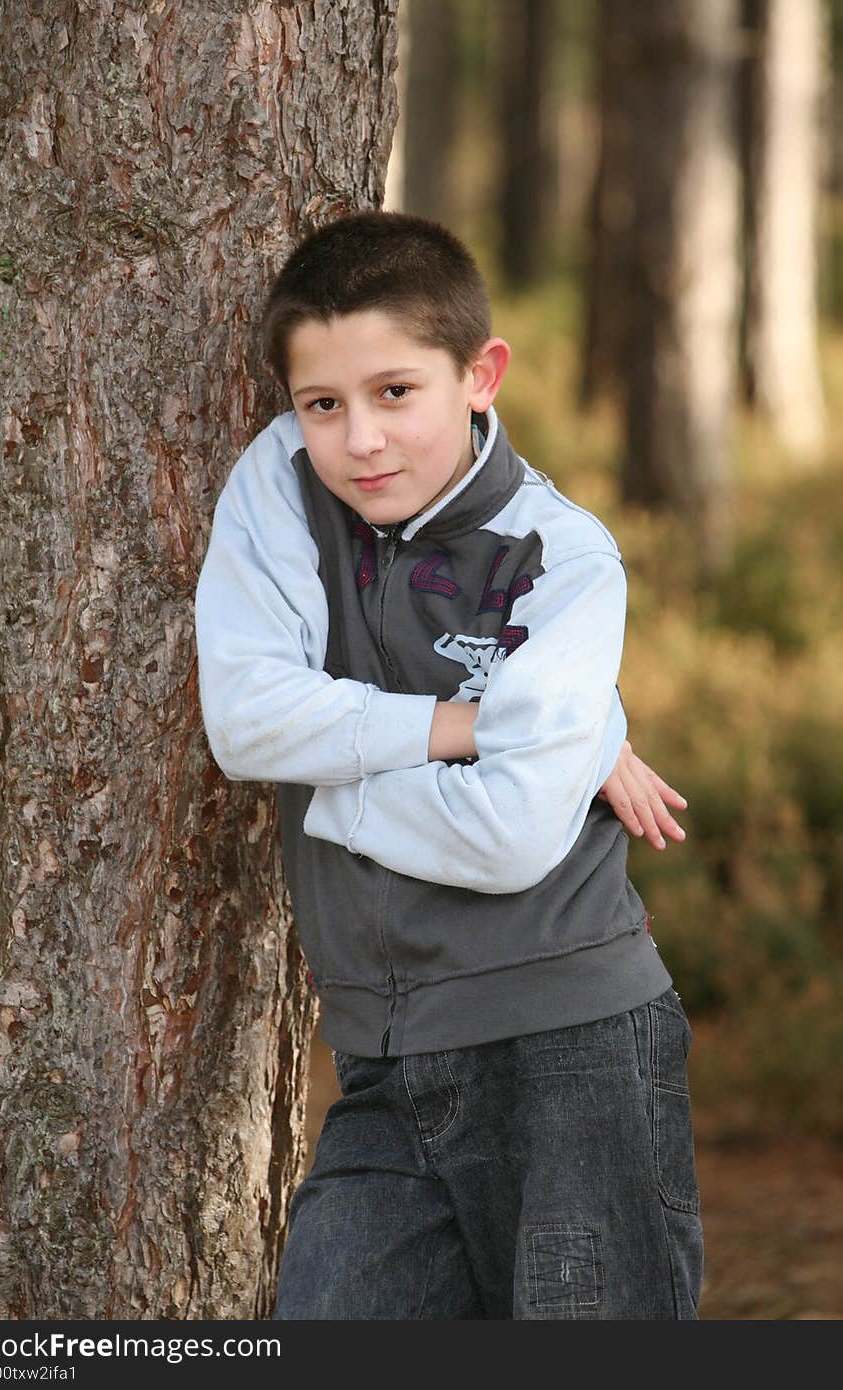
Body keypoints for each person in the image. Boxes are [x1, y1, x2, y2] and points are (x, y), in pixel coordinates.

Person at [194, 211, 703, 1320]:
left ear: (481, 375)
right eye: (322, 403)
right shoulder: (280, 484)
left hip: (571, 1048)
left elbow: (517, 831)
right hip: (381, 1056)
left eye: (395, 393)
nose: (360, 440)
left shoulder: (559, 557)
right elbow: (243, 721)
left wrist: (328, 783)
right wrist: (464, 722)